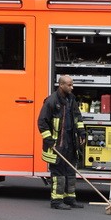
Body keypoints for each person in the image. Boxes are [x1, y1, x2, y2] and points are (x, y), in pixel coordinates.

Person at [38, 74, 86, 209]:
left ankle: (70, 198)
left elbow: (78, 117)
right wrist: (49, 140)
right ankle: (56, 201)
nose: (72, 87)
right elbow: (42, 122)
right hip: (57, 144)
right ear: (61, 85)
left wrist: (82, 133)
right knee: (58, 174)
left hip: (70, 143)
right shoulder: (51, 101)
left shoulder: (71, 99)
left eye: (72, 84)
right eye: (69, 85)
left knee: (70, 172)